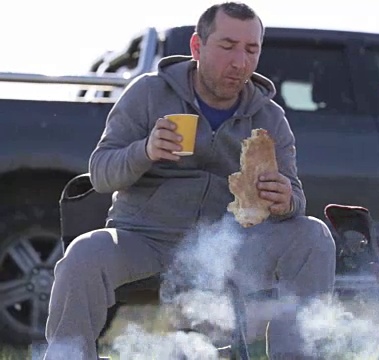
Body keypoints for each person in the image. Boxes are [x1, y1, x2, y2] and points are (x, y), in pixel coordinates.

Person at [44, 2, 336, 359]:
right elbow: (102, 173)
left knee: (312, 234)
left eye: (251, 49)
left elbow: (296, 199)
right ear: (197, 47)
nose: (240, 62)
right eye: (227, 46)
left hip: (229, 247)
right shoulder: (148, 93)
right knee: (84, 254)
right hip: (145, 239)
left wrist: (287, 199)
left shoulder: (269, 117)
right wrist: (145, 151)